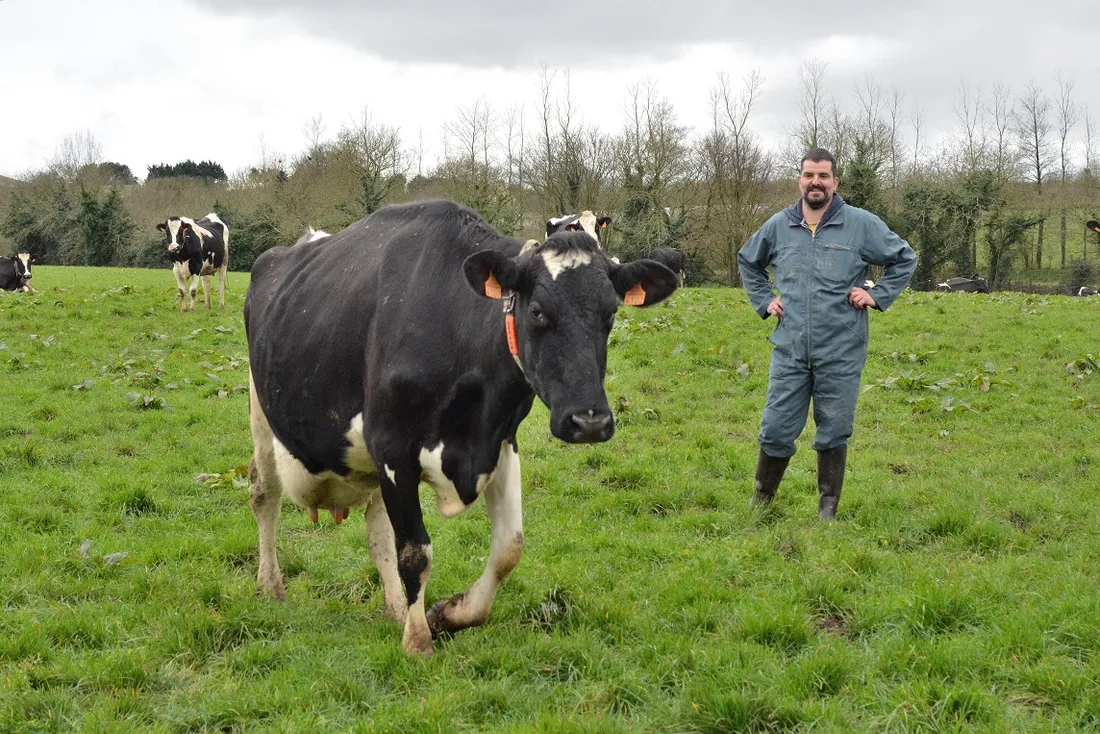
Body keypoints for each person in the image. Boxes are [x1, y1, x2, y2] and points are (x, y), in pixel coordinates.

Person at [737, 148, 916, 519]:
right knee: (775, 427)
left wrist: (876, 295)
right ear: (800, 180)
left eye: (822, 176)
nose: (815, 182)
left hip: (841, 348)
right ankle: (761, 502)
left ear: (835, 181)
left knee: (834, 428)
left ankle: (827, 510)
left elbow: (904, 258)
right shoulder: (778, 226)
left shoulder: (861, 224)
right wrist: (765, 301)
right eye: (808, 175)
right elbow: (748, 260)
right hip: (790, 347)